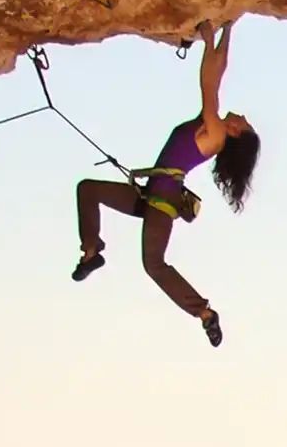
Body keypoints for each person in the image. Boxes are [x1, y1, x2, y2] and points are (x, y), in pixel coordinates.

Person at [71, 20, 260, 348]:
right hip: (150, 193)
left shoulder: (214, 133)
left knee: (153, 263)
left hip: (163, 201)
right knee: (89, 189)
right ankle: (91, 252)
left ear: (236, 134)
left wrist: (209, 37)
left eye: (246, 122)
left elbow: (208, 84)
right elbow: (217, 76)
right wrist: (228, 30)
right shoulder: (213, 126)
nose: (243, 115)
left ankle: (204, 313)